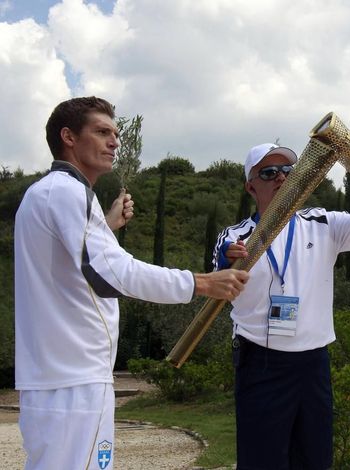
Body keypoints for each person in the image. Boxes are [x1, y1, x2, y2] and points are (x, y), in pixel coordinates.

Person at [14, 96, 250, 470]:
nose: (114, 142)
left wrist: (105, 228)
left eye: (116, 134)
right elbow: (113, 273)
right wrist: (202, 283)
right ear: (68, 137)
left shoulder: (45, 193)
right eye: (102, 131)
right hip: (76, 379)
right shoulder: (67, 191)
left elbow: (70, 269)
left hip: (56, 377)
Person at [213, 142, 350, 469]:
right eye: (268, 173)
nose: (281, 177)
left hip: (312, 363)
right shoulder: (235, 238)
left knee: (314, 459)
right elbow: (217, 286)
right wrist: (229, 261)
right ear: (250, 186)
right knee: (261, 461)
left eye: (287, 171)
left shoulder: (322, 222)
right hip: (260, 361)